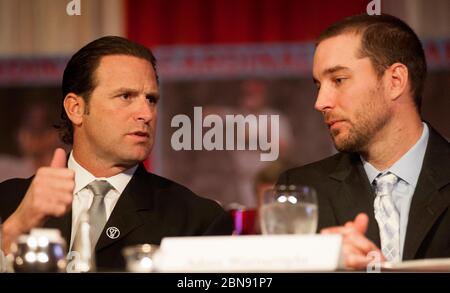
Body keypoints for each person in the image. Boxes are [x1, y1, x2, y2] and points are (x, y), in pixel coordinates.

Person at [0, 36, 232, 270]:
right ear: (76, 108)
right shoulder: (8, 201)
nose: (146, 113)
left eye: (151, 99)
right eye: (126, 96)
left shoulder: (197, 221)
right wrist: (16, 228)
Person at [278, 14, 449, 270]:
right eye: (318, 85)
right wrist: (322, 262)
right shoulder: (302, 191)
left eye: (338, 80)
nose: (320, 102)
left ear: (395, 81)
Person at [0, 103, 64, 182]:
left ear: (54, 135)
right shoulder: (6, 169)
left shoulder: (66, 171)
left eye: (40, 132)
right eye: (30, 130)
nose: (35, 139)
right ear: (21, 135)